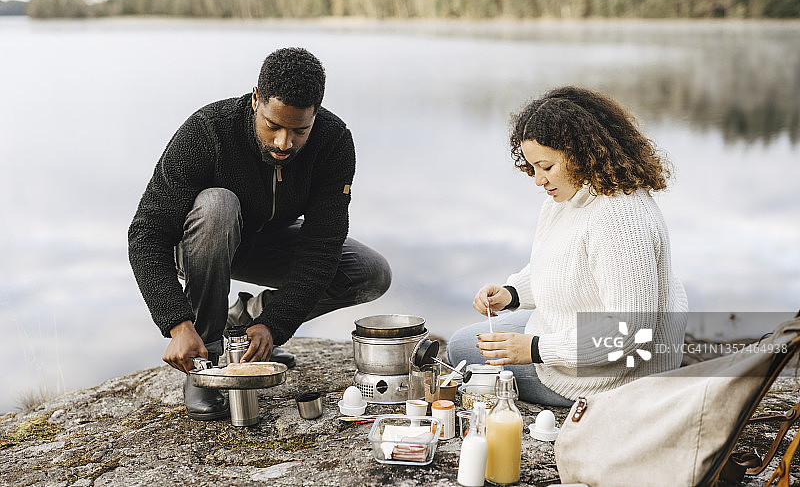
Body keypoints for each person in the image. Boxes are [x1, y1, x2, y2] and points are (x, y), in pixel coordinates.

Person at [128, 47, 391, 420]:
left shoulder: (333, 142)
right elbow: (147, 235)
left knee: (371, 273)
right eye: (273, 125)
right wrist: (177, 323)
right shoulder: (207, 131)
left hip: (268, 242)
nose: (284, 142)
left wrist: (273, 323)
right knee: (217, 206)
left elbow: (322, 246)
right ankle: (207, 357)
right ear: (256, 99)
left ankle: (245, 325)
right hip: (201, 239)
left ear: (316, 112)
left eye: (299, 130)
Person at [446, 86, 687, 407]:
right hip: (578, 330)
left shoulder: (620, 217)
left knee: (462, 351)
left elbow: (630, 332)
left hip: (620, 373)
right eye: (532, 168)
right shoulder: (569, 195)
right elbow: (562, 265)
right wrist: (512, 293)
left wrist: (533, 349)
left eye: (546, 167)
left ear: (581, 153)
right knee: (466, 341)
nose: (538, 179)